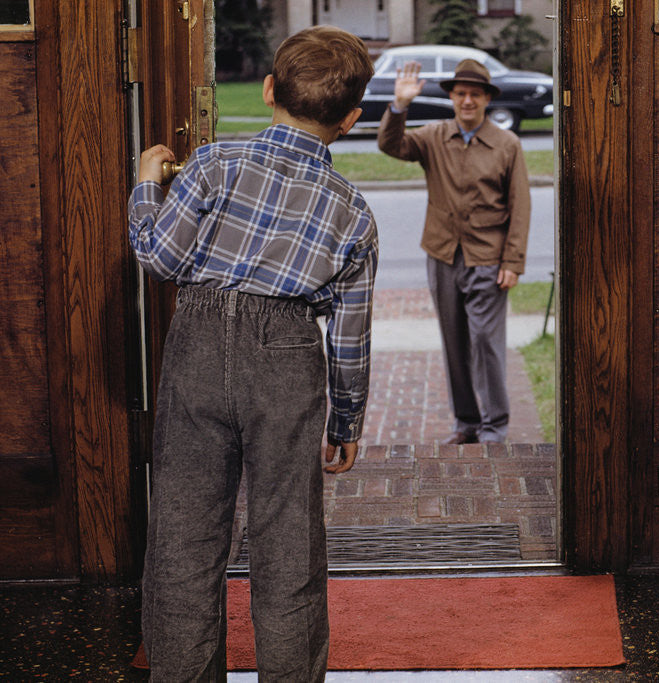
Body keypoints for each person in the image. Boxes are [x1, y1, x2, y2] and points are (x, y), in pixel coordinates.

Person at [127, 26, 376, 681]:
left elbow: (159, 257)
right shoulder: (354, 213)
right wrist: (345, 421)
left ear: (268, 90)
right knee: (288, 534)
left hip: (200, 342)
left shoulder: (211, 166)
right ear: (351, 121)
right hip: (289, 352)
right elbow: (350, 335)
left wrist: (146, 186)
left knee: (184, 530)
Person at [377, 58, 530, 444]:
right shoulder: (433, 136)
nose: (467, 100)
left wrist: (512, 262)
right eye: (460, 93)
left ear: (486, 99)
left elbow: (520, 206)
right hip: (443, 254)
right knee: (454, 341)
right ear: (451, 96)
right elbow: (391, 145)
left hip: (488, 258)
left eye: (474, 94)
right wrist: (399, 106)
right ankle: (467, 423)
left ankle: (495, 426)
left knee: (485, 342)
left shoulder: (507, 144)